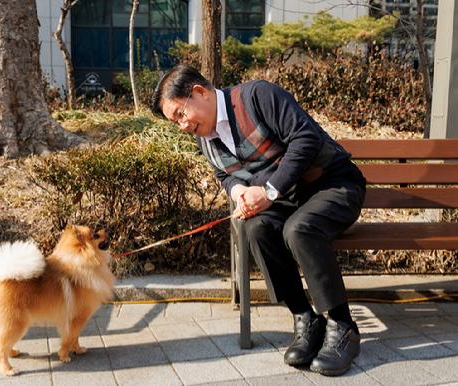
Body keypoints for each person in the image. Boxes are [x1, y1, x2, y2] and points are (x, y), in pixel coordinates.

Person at [150, 65, 366, 377]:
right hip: (289, 199)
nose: (183, 125)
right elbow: (223, 173)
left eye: (181, 114)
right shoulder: (204, 137)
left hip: (333, 184)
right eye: (176, 122)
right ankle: (305, 318)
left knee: (299, 229)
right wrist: (239, 193)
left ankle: (342, 325)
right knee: (257, 227)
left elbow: (305, 137)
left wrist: (268, 192)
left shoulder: (257, 96)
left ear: (200, 92)